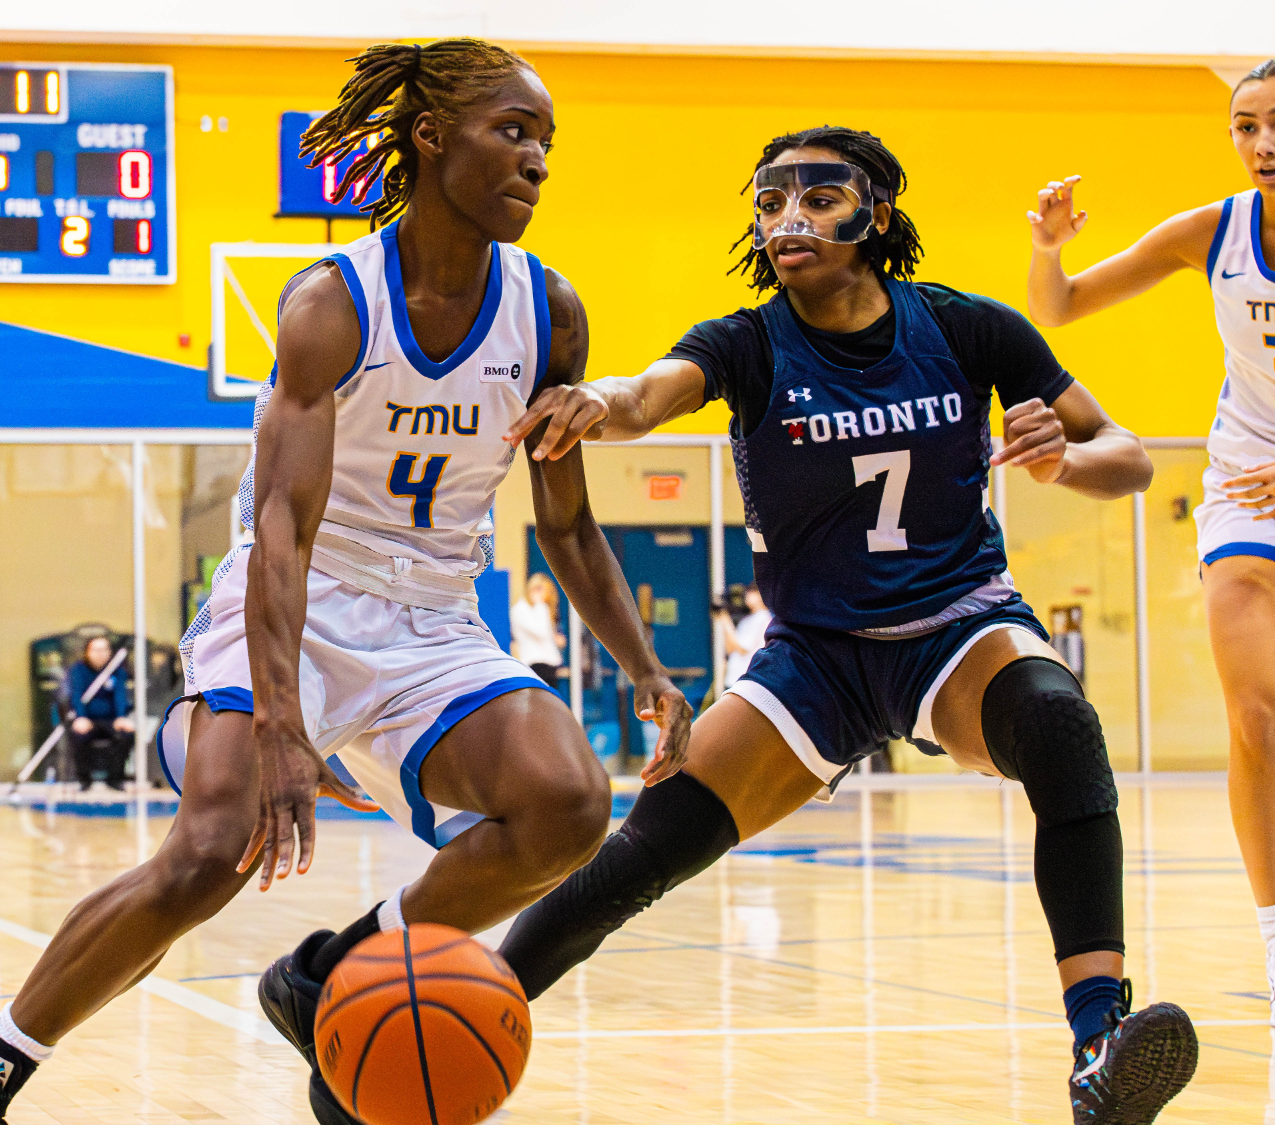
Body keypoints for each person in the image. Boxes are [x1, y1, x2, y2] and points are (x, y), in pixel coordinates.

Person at [0, 39, 691, 1125]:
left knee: (568, 803)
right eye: (513, 132)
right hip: (294, 602)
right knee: (214, 849)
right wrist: (280, 722)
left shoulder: (548, 312)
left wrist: (644, 667)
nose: (537, 160)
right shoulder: (332, 303)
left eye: (546, 141)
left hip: (432, 616)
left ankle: (332, 974)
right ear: (430, 136)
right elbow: (283, 530)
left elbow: (567, 522)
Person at [495, 125, 1198, 1124]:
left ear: (875, 214)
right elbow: (645, 396)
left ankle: (1097, 1046)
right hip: (815, 656)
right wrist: (591, 401)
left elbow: (1127, 458)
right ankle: (462, 1012)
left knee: (1057, 721)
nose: (788, 220)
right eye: (768, 203)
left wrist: (1062, 460)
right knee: (647, 849)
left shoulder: (965, 327)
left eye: (817, 200)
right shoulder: (745, 342)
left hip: (955, 627)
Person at [1021, 59, 1275, 1027]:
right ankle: (1272, 934)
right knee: (1255, 718)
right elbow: (1059, 307)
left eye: (1274, 123)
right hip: (1247, 489)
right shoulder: (1213, 232)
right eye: (1244, 126)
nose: (1261, 143)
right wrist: (1048, 250)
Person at [62, 635, 134, 791]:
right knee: (78, 735)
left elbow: (120, 695)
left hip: (110, 720)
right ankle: (84, 780)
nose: (100, 654)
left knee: (127, 735)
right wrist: (81, 717)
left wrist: (121, 717)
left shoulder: (117, 671)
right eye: (96, 650)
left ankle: (114, 779)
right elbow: (77, 695)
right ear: (87, 652)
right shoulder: (78, 670)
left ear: (110, 652)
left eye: (104, 649)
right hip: (87, 719)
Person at [510, 571, 566, 687]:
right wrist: (540, 605)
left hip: (548, 664)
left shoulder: (539, 609)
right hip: (535, 663)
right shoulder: (521, 609)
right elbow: (542, 632)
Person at [716, 582, 771, 687]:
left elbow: (743, 649)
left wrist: (725, 620)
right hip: (733, 678)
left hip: (746, 679)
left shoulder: (763, 617)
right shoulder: (746, 620)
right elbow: (730, 649)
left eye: (753, 592)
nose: (748, 594)